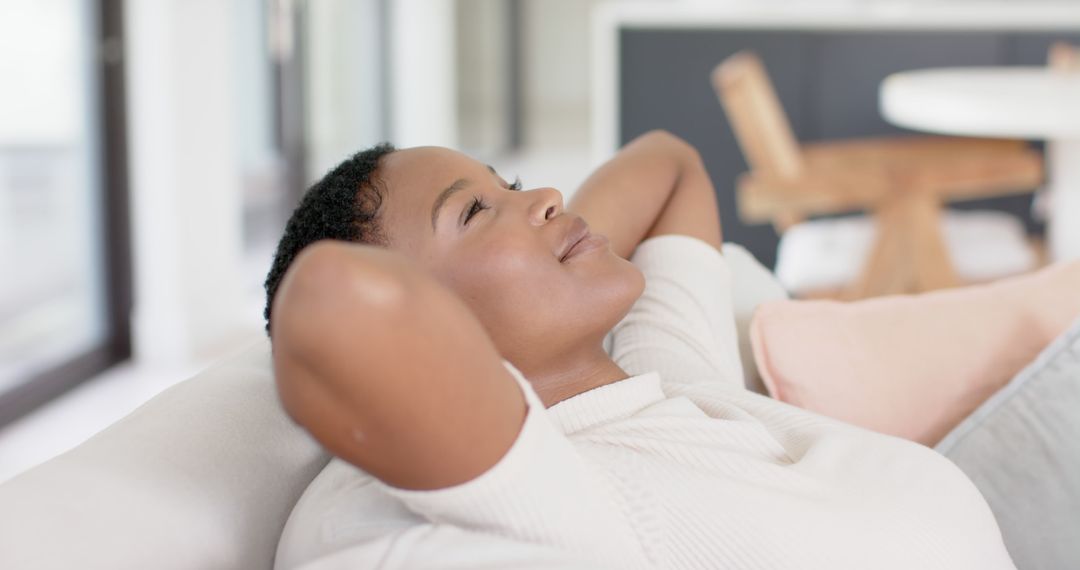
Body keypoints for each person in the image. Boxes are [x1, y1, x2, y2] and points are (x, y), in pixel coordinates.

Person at [264, 131, 1016, 568]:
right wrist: (535, 262)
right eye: (473, 210)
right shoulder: (547, 482)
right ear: (429, 326)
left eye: (513, 181)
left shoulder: (667, 368)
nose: (547, 195)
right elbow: (331, 299)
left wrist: (548, 243)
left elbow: (670, 161)